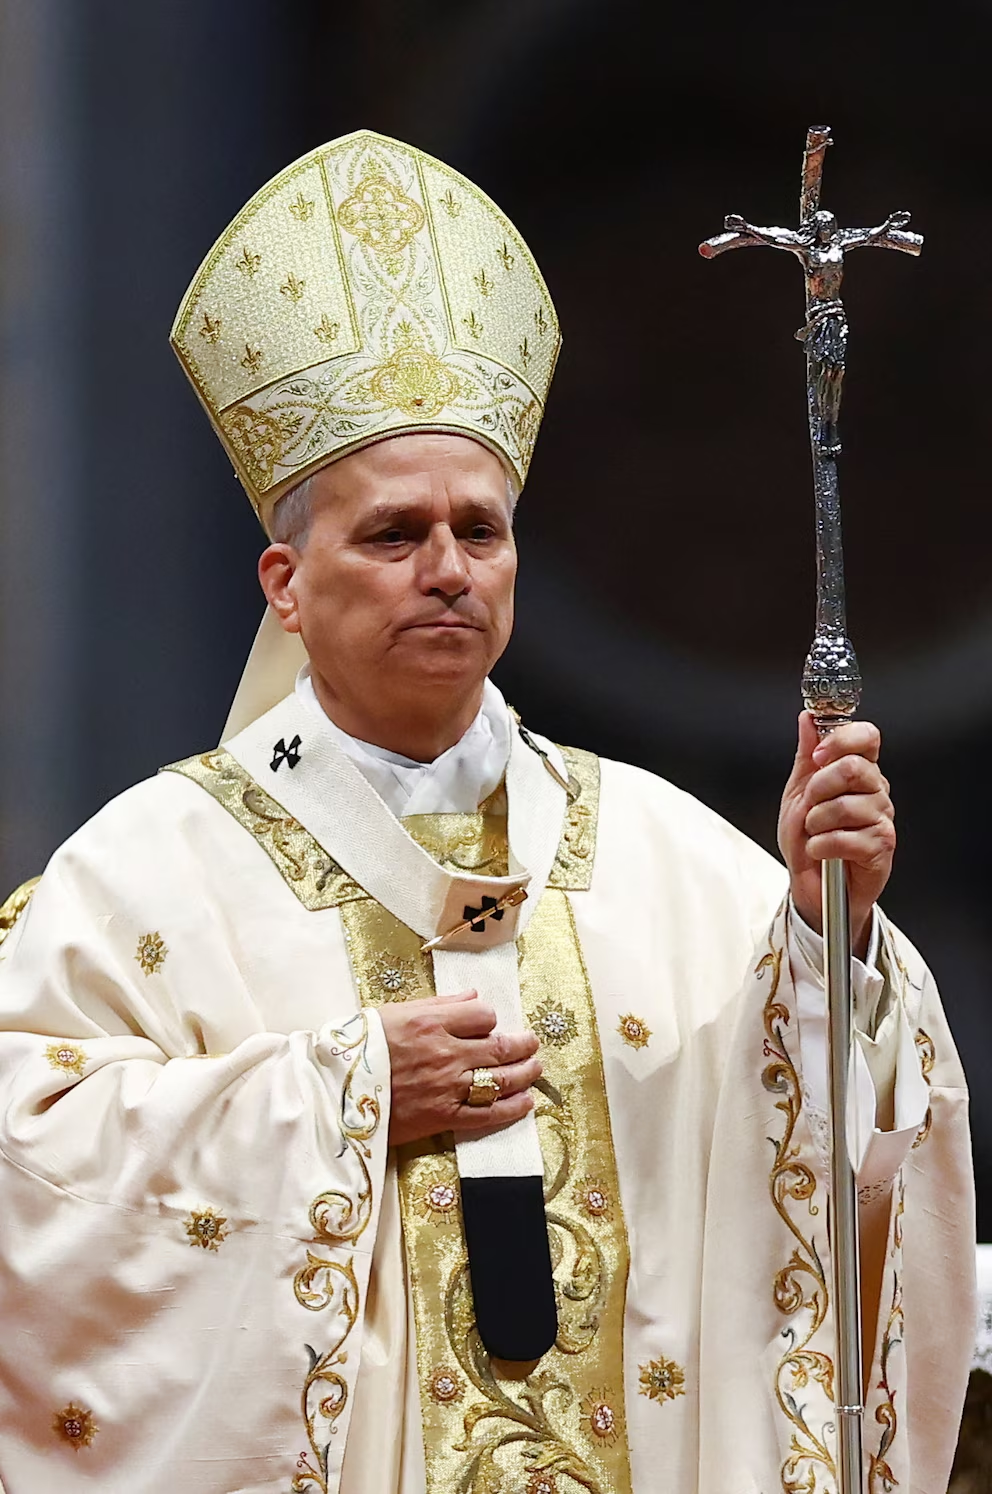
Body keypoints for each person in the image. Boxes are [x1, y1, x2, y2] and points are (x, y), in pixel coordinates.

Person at [0, 130, 974, 1494]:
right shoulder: (146, 878)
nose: (448, 568)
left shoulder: (675, 862)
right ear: (285, 584)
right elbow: (27, 1168)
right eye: (394, 534)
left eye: (482, 529)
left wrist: (833, 940)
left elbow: (823, 1163)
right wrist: (338, 1097)